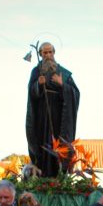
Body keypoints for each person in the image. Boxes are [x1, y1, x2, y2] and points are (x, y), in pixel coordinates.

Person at [25, 41, 81, 177]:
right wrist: (38, 84)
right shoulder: (36, 72)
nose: (48, 55)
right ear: (40, 54)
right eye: (45, 53)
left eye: (50, 52)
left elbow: (75, 93)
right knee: (43, 145)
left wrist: (63, 86)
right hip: (42, 117)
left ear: (54, 53)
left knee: (60, 146)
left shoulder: (64, 73)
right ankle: (43, 176)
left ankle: (59, 176)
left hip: (60, 118)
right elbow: (31, 93)